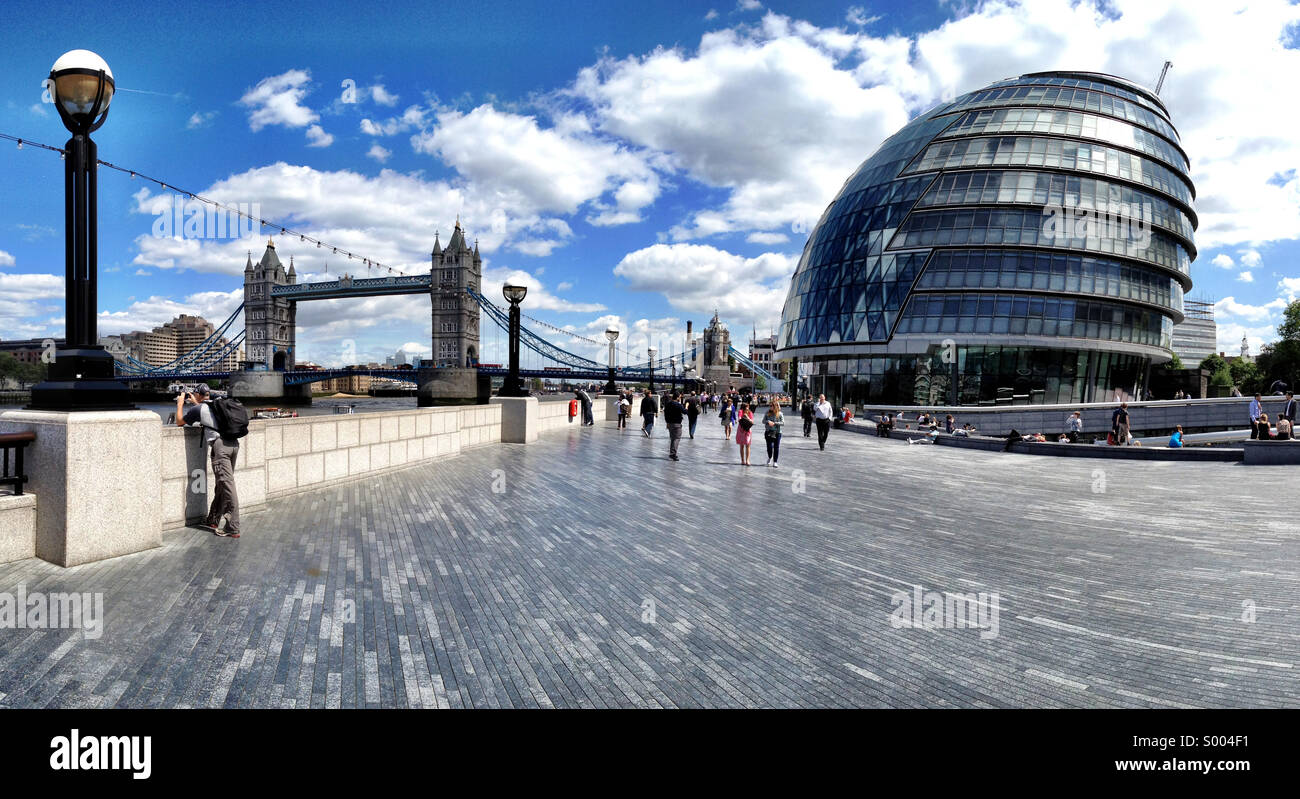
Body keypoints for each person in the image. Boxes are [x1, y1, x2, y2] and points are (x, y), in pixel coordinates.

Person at [176, 383, 240, 539]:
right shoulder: (215, 404)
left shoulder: (198, 409)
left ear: (197, 394)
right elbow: (208, 416)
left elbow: (179, 421)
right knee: (222, 484)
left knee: (227, 486)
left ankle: (233, 527)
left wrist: (180, 404)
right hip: (233, 444)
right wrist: (195, 402)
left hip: (220, 447)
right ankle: (213, 519)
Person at [762, 399, 784, 467]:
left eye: (772, 406)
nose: (770, 407)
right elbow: (763, 421)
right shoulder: (767, 412)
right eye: (770, 405)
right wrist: (768, 422)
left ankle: (775, 461)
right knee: (769, 446)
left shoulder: (780, 414)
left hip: (777, 432)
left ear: (775, 406)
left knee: (776, 447)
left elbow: (783, 423)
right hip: (768, 431)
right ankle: (770, 457)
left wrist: (775, 423)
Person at [663, 392, 685, 460]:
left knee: (672, 438)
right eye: (680, 397)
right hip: (677, 424)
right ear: (678, 397)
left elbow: (665, 413)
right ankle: (673, 454)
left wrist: (667, 422)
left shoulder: (668, 404)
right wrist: (686, 406)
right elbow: (685, 412)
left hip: (669, 423)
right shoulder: (678, 405)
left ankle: (672, 452)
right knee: (676, 438)